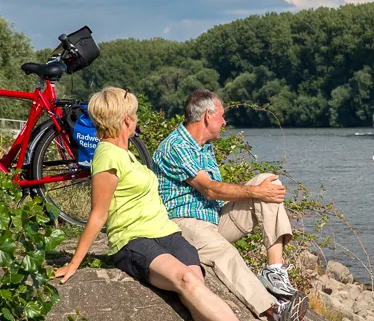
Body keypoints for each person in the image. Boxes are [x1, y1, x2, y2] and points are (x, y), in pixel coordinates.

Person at [54, 87, 238, 321]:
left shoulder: (126, 153)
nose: (137, 118)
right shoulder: (107, 155)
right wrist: (74, 263)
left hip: (168, 234)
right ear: (126, 119)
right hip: (134, 240)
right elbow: (98, 215)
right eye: (135, 113)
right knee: (187, 280)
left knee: (195, 286)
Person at [152, 89, 307, 321]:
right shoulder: (176, 146)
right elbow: (210, 189)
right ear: (207, 116)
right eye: (221, 116)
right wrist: (255, 192)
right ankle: (274, 310)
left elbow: (217, 193)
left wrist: (259, 191)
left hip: (213, 219)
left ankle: (274, 272)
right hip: (182, 224)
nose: (224, 122)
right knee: (225, 252)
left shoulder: (204, 146)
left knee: (268, 181)